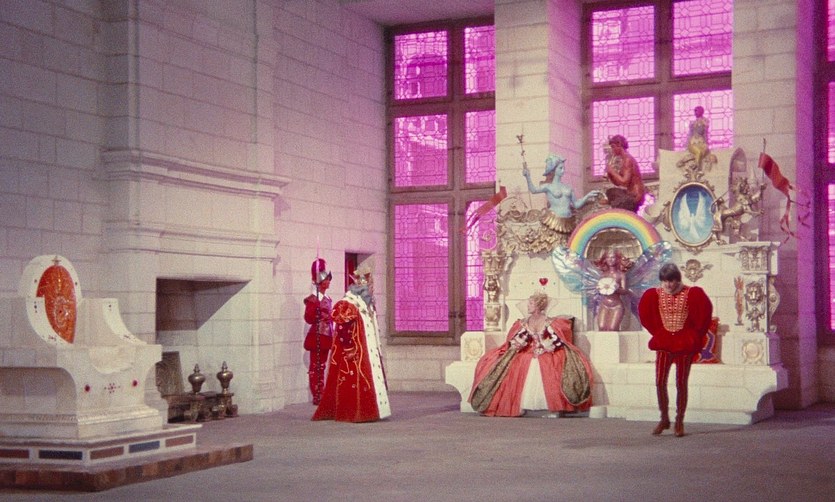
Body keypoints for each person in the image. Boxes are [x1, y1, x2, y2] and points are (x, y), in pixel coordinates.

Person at [469, 292, 593, 417]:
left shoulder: (550, 322)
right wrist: (518, 343)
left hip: (546, 352)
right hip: (529, 351)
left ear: (538, 306)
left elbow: (558, 340)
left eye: (531, 303)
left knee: (548, 363)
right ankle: (518, 406)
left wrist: (547, 344)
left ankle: (555, 408)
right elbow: (517, 338)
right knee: (519, 361)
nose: (528, 306)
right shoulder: (524, 322)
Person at [312, 257, 390, 423]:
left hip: (367, 351)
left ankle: (370, 411)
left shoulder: (367, 303)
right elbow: (342, 327)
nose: (372, 288)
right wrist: (349, 347)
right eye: (369, 284)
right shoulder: (348, 303)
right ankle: (355, 412)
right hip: (354, 352)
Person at [638, 263, 713, 437]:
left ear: (677, 280)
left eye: (671, 281)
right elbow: (646, 316)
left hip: (684, 343)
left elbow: (704, 316)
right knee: (659, 381)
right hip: (664, 342)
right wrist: (659, 333)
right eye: (665, 281)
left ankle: (679, 421)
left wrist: (694, 336)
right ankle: (664, 418)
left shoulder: (691, 293)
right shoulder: (654, 294)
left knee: (681, 383)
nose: (669, 285)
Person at [523, 154, 602, 235]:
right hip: (553, 220)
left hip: (568, 222)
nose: (563, 170)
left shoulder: (568, 187)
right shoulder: (548, 186)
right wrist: (527, 177)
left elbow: (576, 205)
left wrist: (587, 196)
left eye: (564, 168)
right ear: (553, 170)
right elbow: (533, 190)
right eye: (560, 168)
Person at [303, 258, 333, 405]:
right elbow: (308, 318)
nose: (329, 282)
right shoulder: (313, 299)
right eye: (327, 280)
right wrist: (315, 310)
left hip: (327, 335)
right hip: (317, 335)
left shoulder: (327, 298)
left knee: (323, 365)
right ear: (320, 283)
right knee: (316, 366)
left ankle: (322, 391)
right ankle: (317, 393)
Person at [604, 135, 646, 212]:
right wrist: (610, 175)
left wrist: (612, 171)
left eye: (613, 147)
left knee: (612, 192)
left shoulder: (627, 159)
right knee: (610, 192)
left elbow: (624, 182)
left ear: (619, 145)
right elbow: (618, 183)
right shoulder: (624, 160)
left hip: (635, 195)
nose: (612, 150)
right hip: (630, 193)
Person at [593, 250, 631, 331]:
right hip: (604, 304)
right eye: (608, 257)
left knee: (612, 328)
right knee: (602, 327)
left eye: (613, 257)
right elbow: (601, 289)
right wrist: (599, 288)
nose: (610, 259)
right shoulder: (603, 275)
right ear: (605, 260)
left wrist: (616, 289)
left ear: (617, 259)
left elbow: (625, 291)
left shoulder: (621, 275)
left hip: (616, 305)